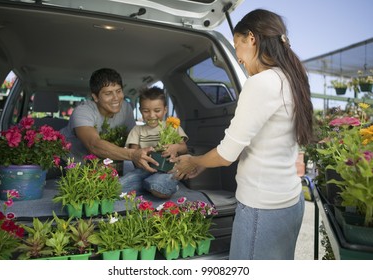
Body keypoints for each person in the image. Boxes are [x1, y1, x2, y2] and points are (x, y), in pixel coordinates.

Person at [172, 9, 313, 260]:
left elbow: (226, 155)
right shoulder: (291, 79)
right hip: (290, 200)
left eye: (236, 44)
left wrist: (195, 161)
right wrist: (204, 163)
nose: (238, 57)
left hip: (263, 208)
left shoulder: (261, 83)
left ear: (251, 39)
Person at [60, 68, 158, 171]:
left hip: (102, 168)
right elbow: (93, 144)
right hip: (68, 164)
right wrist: (133, 155)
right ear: (95, 97)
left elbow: (133, 140)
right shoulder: (83, 111)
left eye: (118, 91)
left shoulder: (126, 108)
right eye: (108, 93)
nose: (116, 98)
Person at [120, 86, 188, 198]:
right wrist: (143, 160)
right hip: (143, 171)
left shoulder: (172, 127)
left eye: (157, 111)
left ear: (165, 110)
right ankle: (149, 185)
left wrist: (175, 147)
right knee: (118, 187)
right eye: (146, 111)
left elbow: (184, 147)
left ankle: (155, 186)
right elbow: (134, 155)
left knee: (158, 185)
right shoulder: (137, 130)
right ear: (141, 110)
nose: (151, 115)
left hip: (168, 170)